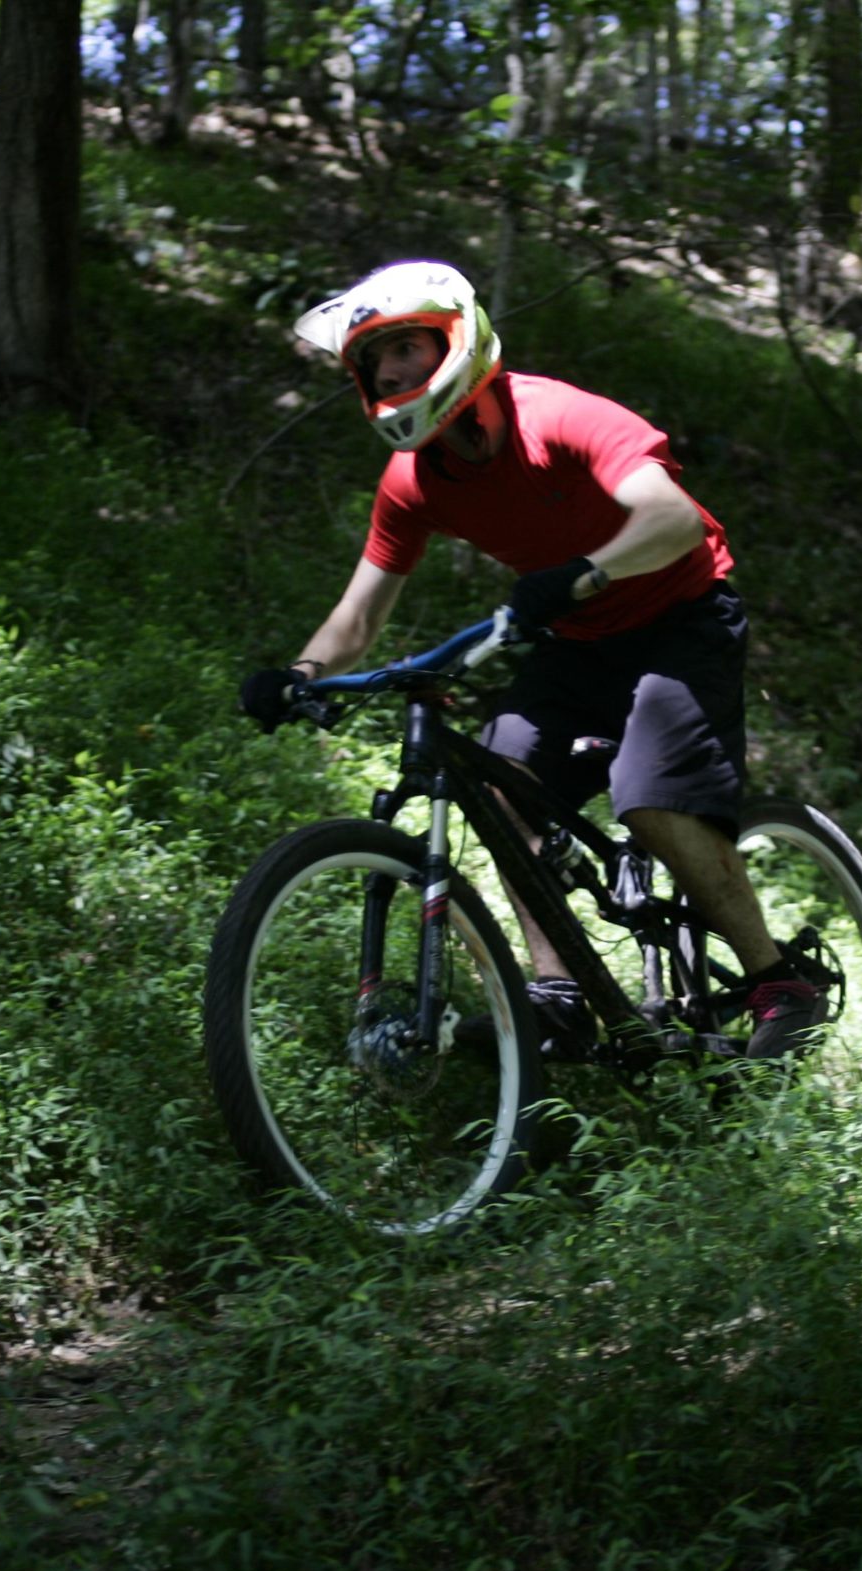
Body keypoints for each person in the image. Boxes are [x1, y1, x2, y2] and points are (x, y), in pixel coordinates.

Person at [238, 259, 826, 1061]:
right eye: (376, 362)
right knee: (500, 786)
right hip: (575, 637)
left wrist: (583, 572)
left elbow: (673, 518)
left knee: (651, 802)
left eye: (407, 349)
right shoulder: (413, 481)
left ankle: (780, 983)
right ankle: (559, 994)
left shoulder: (556, 417)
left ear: (457, 341)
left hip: (680, 619)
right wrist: (302, 674)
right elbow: (361, 612)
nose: (393, 372)